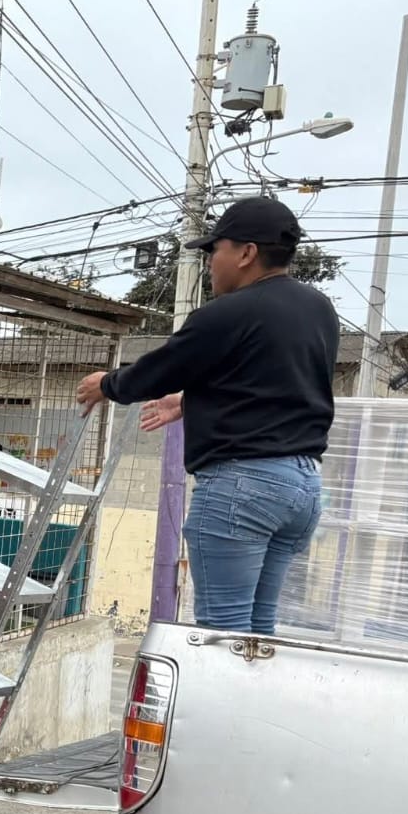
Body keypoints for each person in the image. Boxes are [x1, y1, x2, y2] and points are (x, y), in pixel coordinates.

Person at [77, 196, 337, 636]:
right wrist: (186, 403)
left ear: (246, 253)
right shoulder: (318, 309)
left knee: (221, 633)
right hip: (303, 486)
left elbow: (161, 370)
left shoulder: (230, 312)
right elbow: (277, 385)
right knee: (256, 630)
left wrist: (107, 384)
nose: (210, 262)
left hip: (244, 488)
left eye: (215, 250)